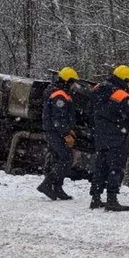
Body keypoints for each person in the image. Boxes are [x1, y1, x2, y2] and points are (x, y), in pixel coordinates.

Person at [90, 65, 129, 211]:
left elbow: (89, 108)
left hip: (100, 135)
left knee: (100, 167)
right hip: (116, 136)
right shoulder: (121, 94)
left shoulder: (98, 88)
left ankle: (95, 199)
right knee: (116, 168)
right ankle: (112, 199)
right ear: (125, 80)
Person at [38, 66, 79, 201]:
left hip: (55, 130)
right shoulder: (60, 95)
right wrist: (66, 133)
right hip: (56, 132)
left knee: (57, 158)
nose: (74, 85)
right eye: (72, 82)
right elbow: (58, 118)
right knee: (66, 158)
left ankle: (57, 188)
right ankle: (47, 184)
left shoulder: (58, 92)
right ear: (67, 81)